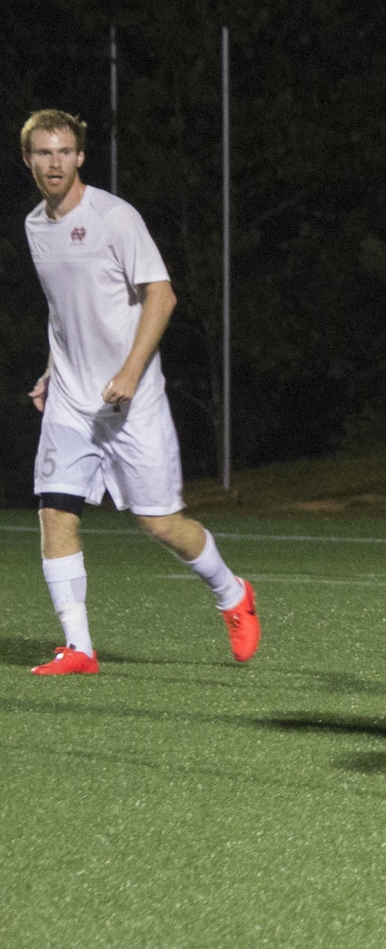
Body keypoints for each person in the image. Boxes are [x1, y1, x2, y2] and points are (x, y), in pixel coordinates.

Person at [20, 109, 260, 674]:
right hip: (72, 402)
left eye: (63, 152)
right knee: (55, 511)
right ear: (28, 160)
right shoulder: (35, 225)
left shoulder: (113, 217)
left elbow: (162, 295)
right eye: (42, 153)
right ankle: (79, 647)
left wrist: (129, 371)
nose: (53, 163)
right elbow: (66, 312)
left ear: (80, 157)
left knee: (160, 524)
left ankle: (233, 594)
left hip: (133, 402)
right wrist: (53, 370)